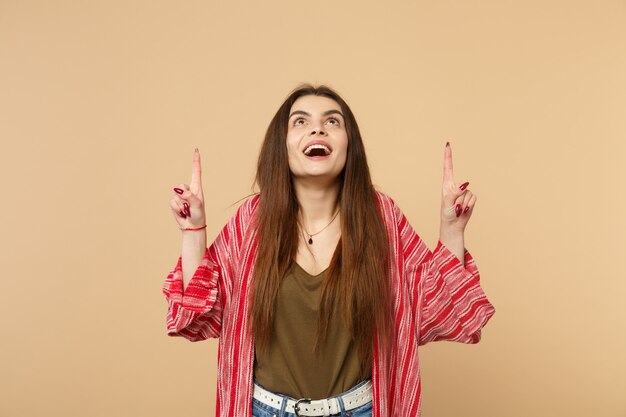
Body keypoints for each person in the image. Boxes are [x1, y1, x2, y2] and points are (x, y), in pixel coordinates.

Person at [163, 84, 496, 417]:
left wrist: (452, 229)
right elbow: (199, 314)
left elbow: (434, 310)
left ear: (350, 146)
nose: (317, 128)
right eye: (300, 121)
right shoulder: (251, 221)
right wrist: (193, 230)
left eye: (333, 122)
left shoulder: (381, 217)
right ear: (282, 146)